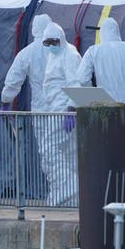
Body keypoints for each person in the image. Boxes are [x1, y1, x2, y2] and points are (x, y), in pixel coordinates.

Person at [77, 17, 125, 200]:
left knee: (111, 148)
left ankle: (117, 190)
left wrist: (93, 99)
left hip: (109, 106)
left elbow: (82, 78)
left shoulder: (94, 51)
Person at [0, 14, 52, 199]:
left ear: (33, 30)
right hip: (62, 107)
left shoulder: (28, 52)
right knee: (66, 152)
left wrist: (6, 101)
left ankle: (56, 192)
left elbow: (13, 80)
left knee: (47, 151)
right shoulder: (63, 49)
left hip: (40, 108)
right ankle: (67, 192)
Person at [38, 21, 81, 206]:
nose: (50, 46)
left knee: (48, 148)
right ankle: (68, 196)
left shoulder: (70, 54)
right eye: (46, 43)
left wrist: (71, 109)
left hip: (63, 110)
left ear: (61, 39)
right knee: (68, 153)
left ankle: (69, 184)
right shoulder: (53, 56)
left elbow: (75, 82)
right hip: (55, 109)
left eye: (53, 42)